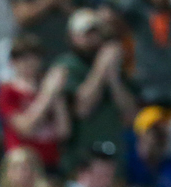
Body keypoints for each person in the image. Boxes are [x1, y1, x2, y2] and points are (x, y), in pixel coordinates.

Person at [53, 10, 137, 171]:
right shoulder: (67, 66)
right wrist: (101, 68)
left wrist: (113, 78)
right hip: (82, 158)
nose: (92, 39)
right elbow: (82, 109)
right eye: (86, 34)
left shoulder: (116, 64)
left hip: (115, 154)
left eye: (96, 33)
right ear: (72, 37)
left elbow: (131, 114)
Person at [0, 34, 70, 171]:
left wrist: (57, 94)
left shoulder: (49, 88)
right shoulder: (7, 92)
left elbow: (63, 131)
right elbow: (25, 128)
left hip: (50, 161)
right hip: (23, 166)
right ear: (13, 62)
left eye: (33, 57)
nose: (29, 63)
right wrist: (48, 94)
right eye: (22, 58)